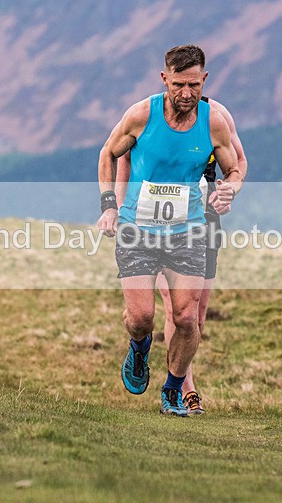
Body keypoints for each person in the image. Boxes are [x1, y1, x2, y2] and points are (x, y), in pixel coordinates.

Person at [97, 45, 242, 416]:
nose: (186, 93)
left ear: (204, 80)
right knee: (141, 317)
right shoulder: (141, 114)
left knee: (187, 316)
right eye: (179, 84)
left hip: (189, 229)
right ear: (165, 79)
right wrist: (109, 206)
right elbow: (109, 154)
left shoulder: (214, 120)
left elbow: (235, 166)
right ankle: (139, 348)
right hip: (138, 229)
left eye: (194, 84)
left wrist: (230, 189)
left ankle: (174, 389)